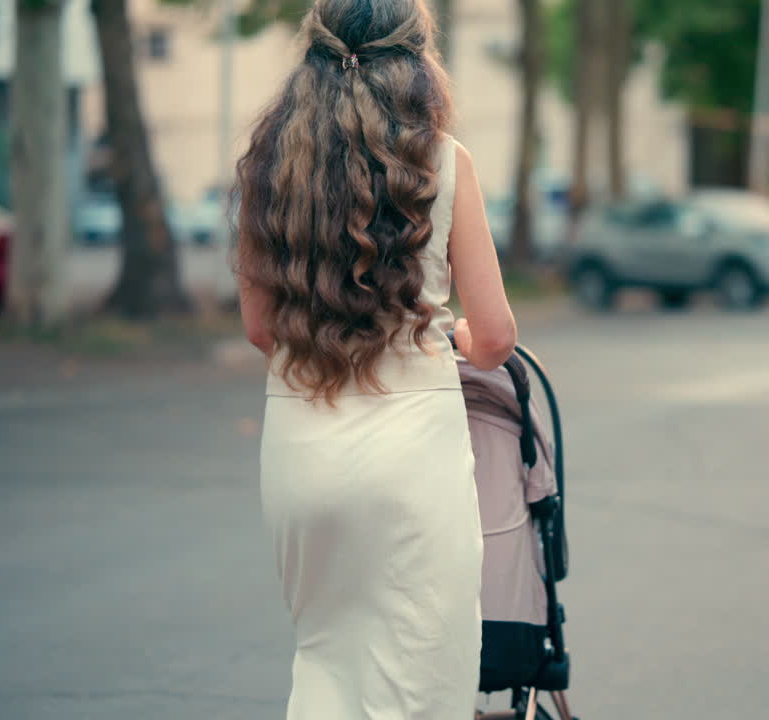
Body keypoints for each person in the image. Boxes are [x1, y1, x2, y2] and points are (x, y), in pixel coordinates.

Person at [234, 1, 517, 718]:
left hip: (301, 452)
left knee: (325, 661)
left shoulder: (268, 164)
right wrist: (452, 340)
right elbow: (495, 336)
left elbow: (260, 329)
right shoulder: (444, 162)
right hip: (412, 454)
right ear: (419, 59)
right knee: (422, 676)